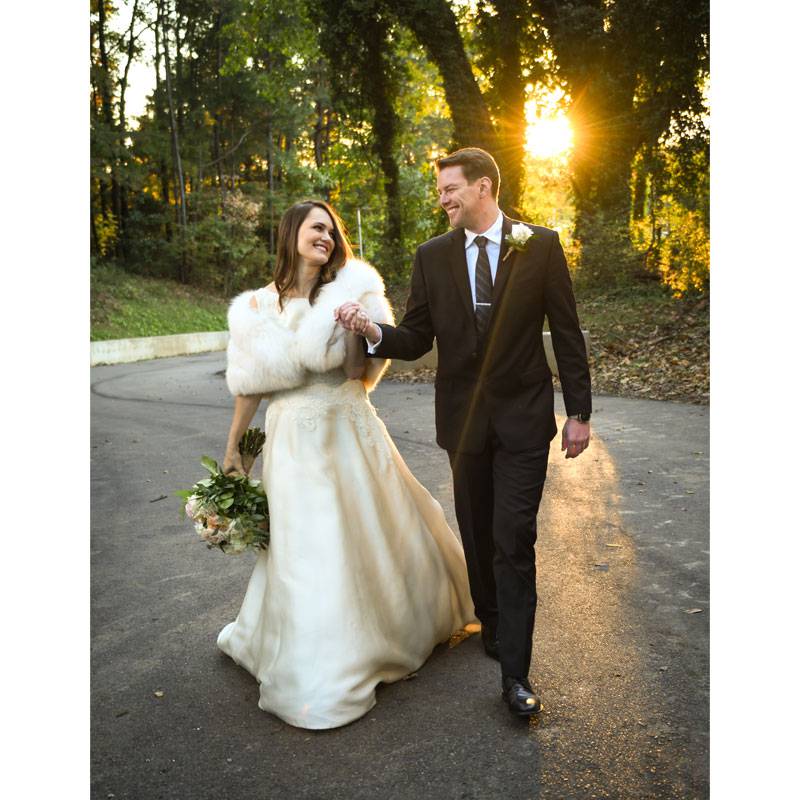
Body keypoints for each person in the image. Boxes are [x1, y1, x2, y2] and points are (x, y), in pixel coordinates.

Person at [336, 147, 592, 718]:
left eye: (451, 188)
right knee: (477, 534)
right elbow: (419, 337)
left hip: (525, 419)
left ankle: (517, 677)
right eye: (440, 189)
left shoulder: (540, 245)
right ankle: (494, 625)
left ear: (483, 188)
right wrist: (374, 330)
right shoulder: (431, 257)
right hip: (463, 422)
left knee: (513, 538)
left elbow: (567, 330)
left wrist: (579, 411)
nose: (443, 198)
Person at [216, 199, 475, 729]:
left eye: (332, 231)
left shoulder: (354, 287)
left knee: (366, 532)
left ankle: (370, 641)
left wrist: (357, 326)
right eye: (317, 228)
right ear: (291, 234)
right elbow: (249, 388)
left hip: (347, 423)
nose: (327, 237)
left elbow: (363, 375)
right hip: (290, 440)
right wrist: (233, 452)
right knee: (304, 546)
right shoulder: (256, 309)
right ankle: (309, 654)